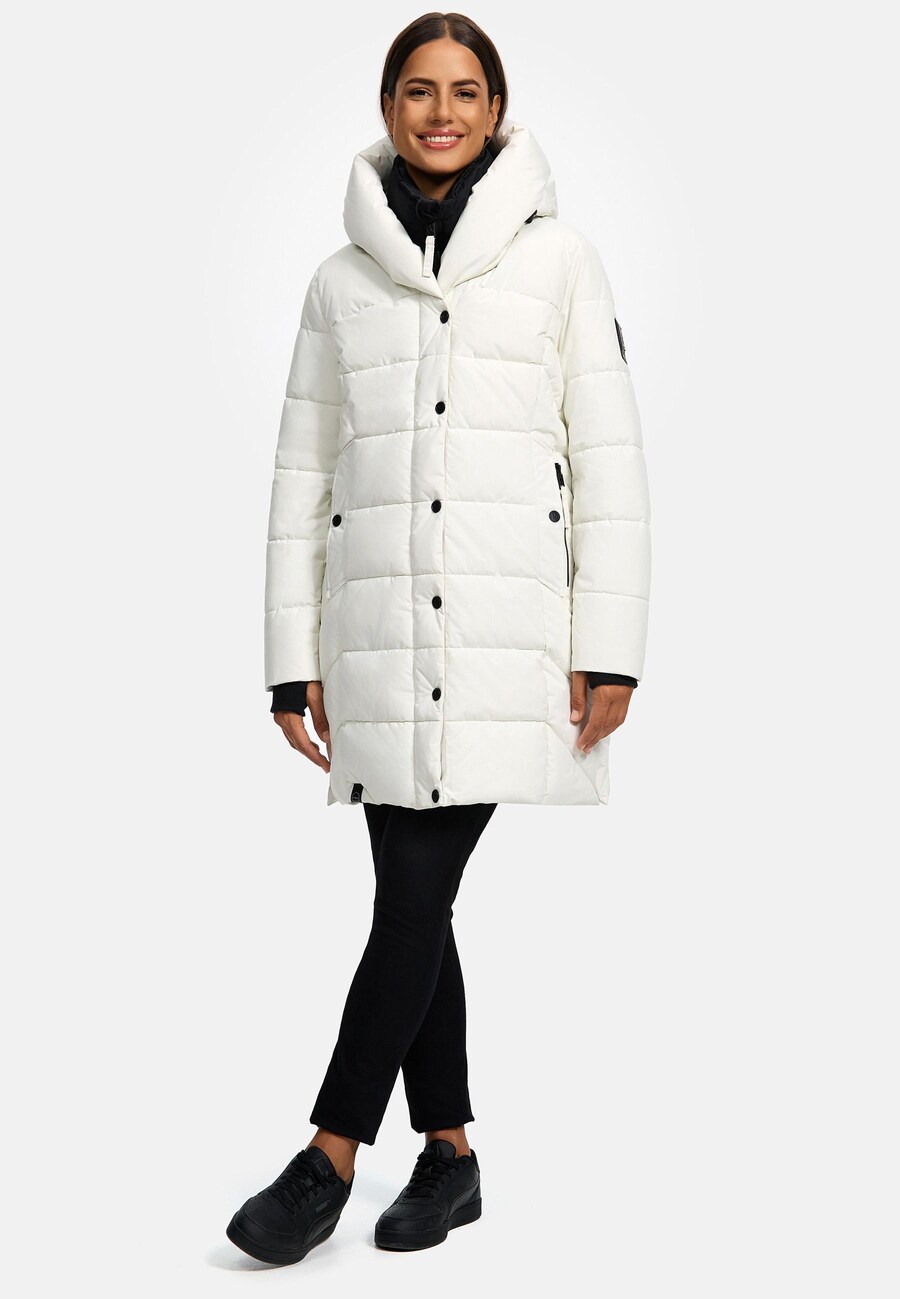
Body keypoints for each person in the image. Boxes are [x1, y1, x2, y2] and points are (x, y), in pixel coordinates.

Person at [227, 10, 651, 1266]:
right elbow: (301, 475)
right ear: (389, 108)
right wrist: (290, 660)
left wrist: (612, 648)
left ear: (497, 110)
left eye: (466, 90)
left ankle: (328, 1156)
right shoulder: (338, 283)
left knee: (412, 897)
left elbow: (612, 463)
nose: (443, 111)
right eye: (420, 89)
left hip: (511, 639)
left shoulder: (562, 262)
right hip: (377, 639)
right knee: (417, 903)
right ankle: (451, 1155)